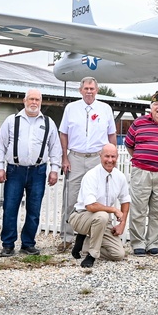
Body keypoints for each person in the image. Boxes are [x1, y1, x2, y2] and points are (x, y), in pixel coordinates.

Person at [0, 89, 62, 257]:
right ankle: (8, 244)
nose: (34, 102)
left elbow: (55, 148)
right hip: (15, 170)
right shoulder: (12, 121)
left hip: (38, 171)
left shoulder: (48, 122)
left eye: (37, 99)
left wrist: (54, 170)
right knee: (10, 207)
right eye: (31, 99)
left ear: (41, 102)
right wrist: (0, 167)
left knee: (34, 209)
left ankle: (28, 243)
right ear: (24, 101)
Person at [59, 77, 116, 252]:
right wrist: (65, 158)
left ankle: (98, 237)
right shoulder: (71, 108)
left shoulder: (105, 109)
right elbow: (63, 134)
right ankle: (66, 238)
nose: (89, 91)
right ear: (80, 90)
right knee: (71, 198)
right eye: (86, 88)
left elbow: (112, 135)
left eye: (92, 88)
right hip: (75, 157)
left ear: (97, 90)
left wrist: (112, 159)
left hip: (96, 159)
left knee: (98, 198)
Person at [123, 91, 158, 256]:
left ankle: (153, 243)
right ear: (151, 108)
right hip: (142, 173)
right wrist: (142, 158)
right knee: (138, 210)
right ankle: (138, 243)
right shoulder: (139, 123)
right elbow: (129, 145)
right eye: (155, 104)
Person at [68, 144, 130, 268]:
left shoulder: (120, 177)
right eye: (107, 156)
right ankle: (91, 255)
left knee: (118, 254)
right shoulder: (91, 175)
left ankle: (85, 244)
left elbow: (125, 200)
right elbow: (90, 206)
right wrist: (113, 209)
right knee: (102, 215)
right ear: (100, 156)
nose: (110, 160)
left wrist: (122, 224)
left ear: (117, 157)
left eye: (113, 156)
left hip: (102, 220)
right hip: (81, 216)